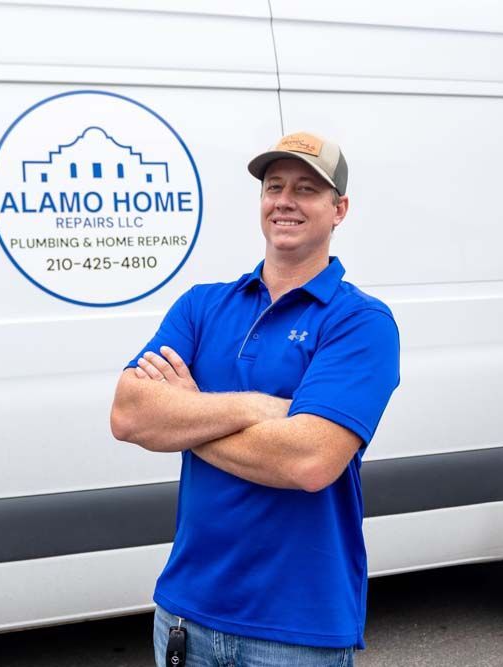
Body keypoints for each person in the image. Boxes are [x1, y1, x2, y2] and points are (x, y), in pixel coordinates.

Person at [110, 132, 400, 667]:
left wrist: (189, 414)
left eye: (307, 189)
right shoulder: (201, 306)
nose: (285, 200)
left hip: (296, 631)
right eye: (274, 186)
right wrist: (258, 407)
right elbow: (129, 414)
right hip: (185, 616)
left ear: (339, 209)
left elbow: (310, 461)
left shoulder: (360, 322)